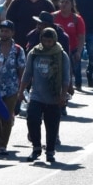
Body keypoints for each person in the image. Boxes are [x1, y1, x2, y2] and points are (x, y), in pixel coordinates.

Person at [20, 27, 72, 164]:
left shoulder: (61, 55)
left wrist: (62, 95)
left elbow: (66, 78)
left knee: (52, 125)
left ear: (54, 40)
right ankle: (36, 147)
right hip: (37, 95)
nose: (47, 44)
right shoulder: (34, 53)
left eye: (50, 41)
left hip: (54, 97)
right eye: (45, 41)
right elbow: (27, 74)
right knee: (32, 119)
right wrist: (20, 92)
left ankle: (50, 151)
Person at [0, 21, 25, 155]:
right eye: (2, 30)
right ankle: (0, 135)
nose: (4, 33)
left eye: (7, 31)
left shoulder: (18, 50)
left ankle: (3, 145)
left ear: (12, 33)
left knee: (7, 116)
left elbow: (22, 69)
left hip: (12, 88)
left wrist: (21, 88)